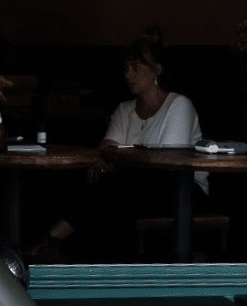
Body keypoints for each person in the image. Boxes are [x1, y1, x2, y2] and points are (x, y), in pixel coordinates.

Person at [31, 30, 208, 260]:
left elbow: (166, 160)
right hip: (134, 187)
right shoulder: (125, 110)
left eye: (136, 68)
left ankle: (56, 238)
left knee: (115, 188)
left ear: (157, 70)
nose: (128, 74)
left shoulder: (179, 104)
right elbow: (105, 149)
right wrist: (111, 161)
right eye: (126, 68)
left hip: (181, 191)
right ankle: (77, 253)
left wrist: (117, 162)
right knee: (104, 186)